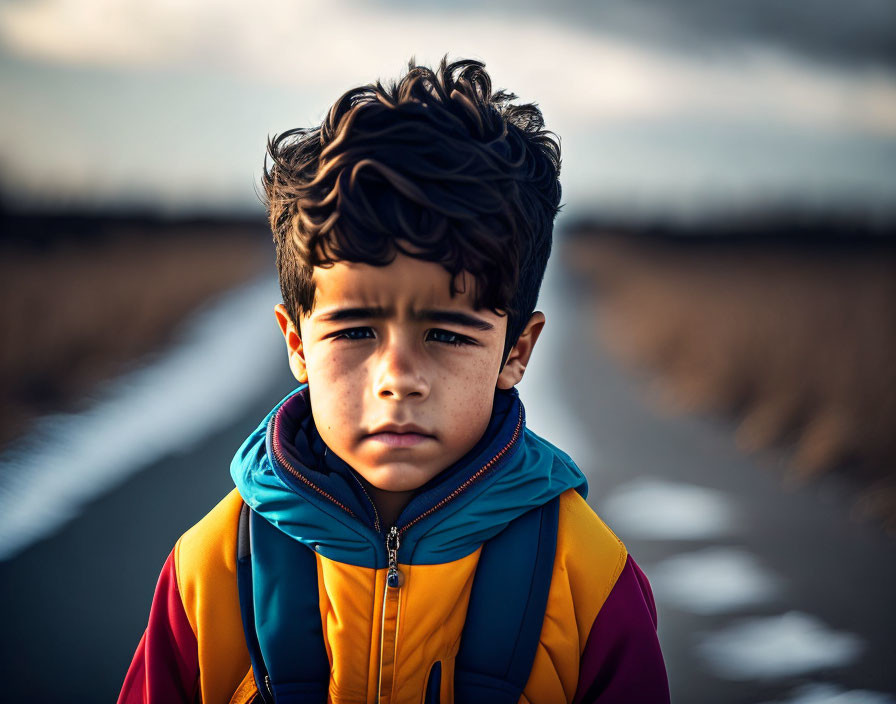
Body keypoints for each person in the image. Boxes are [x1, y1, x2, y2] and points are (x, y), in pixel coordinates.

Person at [118, 56, 670, 704]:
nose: (398, 378)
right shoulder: (209, 569)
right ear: (296, 341)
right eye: (354, 331)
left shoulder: (587, 577)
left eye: (447, 334)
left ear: (516, 351)